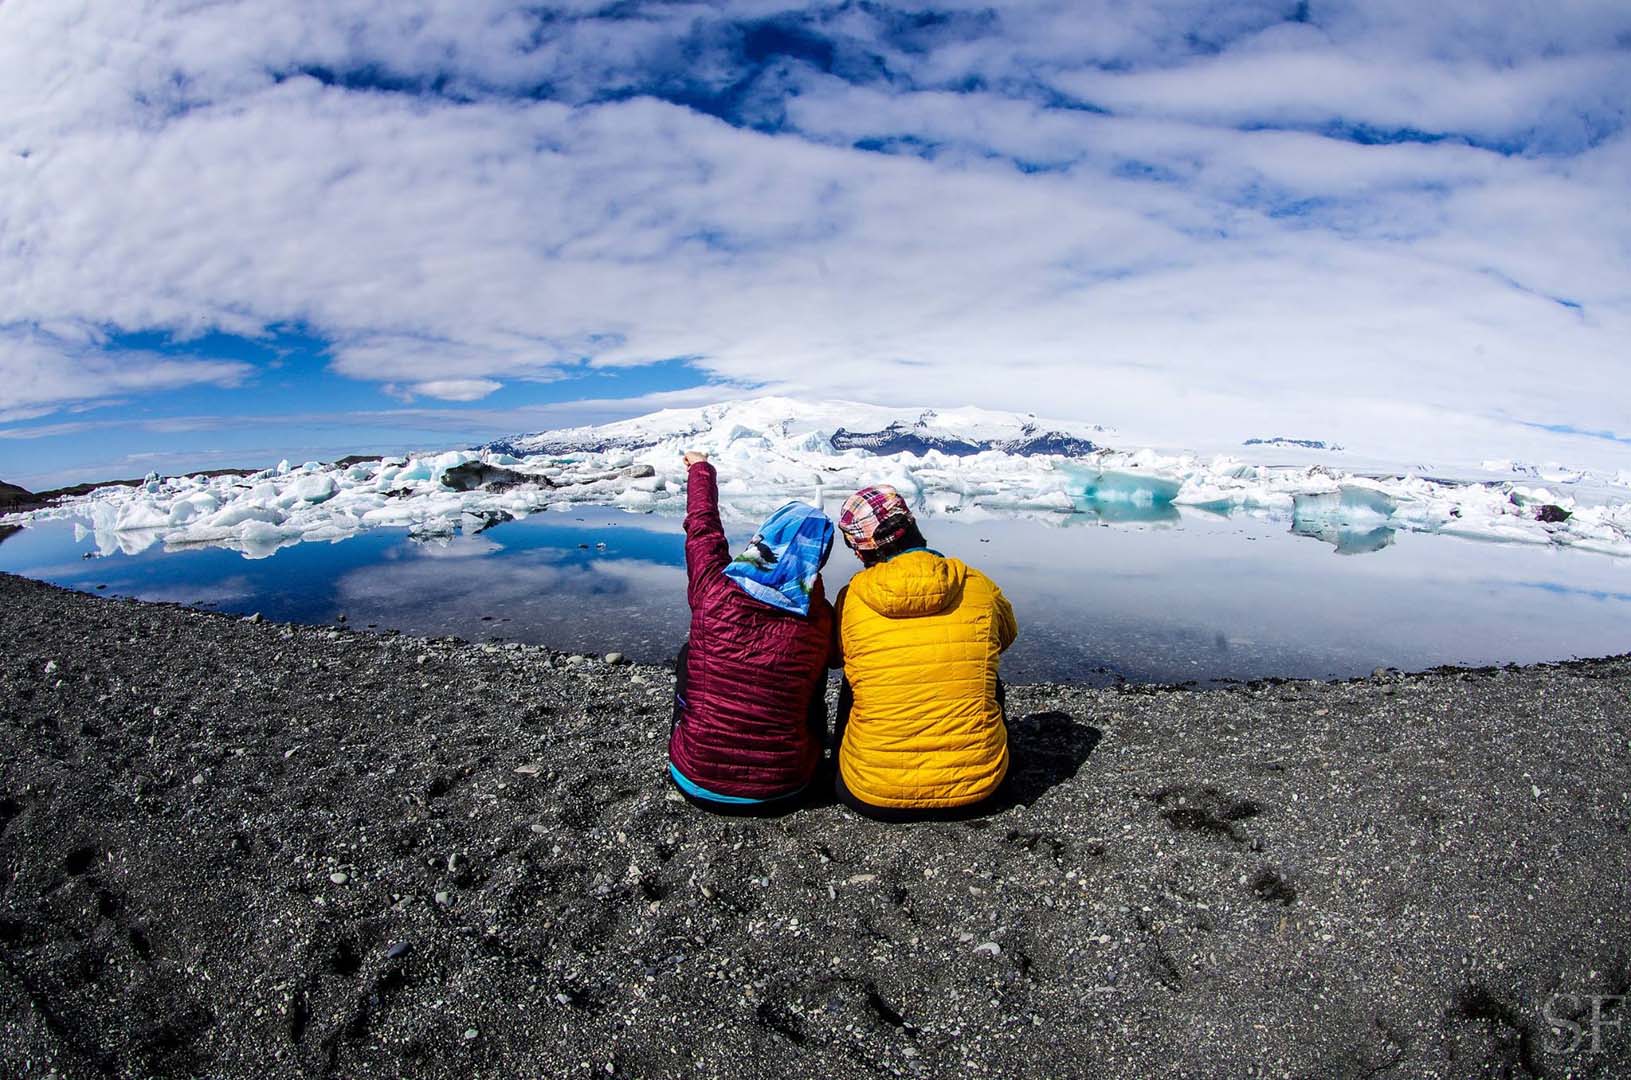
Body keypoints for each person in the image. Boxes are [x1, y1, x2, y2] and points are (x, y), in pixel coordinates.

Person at [830, 485, 1017, 821]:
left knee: (857, 672)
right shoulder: (977, 585)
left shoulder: (852, 598)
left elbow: (834, 655)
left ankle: (854, 756)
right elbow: (1006, 636)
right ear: (913, 523)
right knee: (981, 662)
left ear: (861, 551)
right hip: (980, 789)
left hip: (872, 792)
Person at [666, 450, 836, 813]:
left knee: (688, 655)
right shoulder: (819, 619)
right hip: (787, 787)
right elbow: (840, 656)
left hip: (693, 777)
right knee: (814, 667)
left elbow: (702, 526)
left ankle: (699, 738)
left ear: (764, 537)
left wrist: (701, 469)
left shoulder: (714, 588)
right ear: (818, 556)